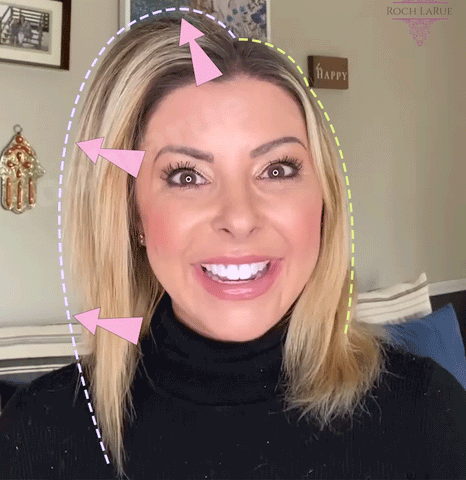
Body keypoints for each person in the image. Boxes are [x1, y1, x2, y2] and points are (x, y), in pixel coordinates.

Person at [0, 16, 465, 480]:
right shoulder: (41, 430)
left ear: (324, 200)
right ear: (133, 216)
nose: (240, 218)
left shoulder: (426, 410)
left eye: (277, 170)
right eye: (187, 176)